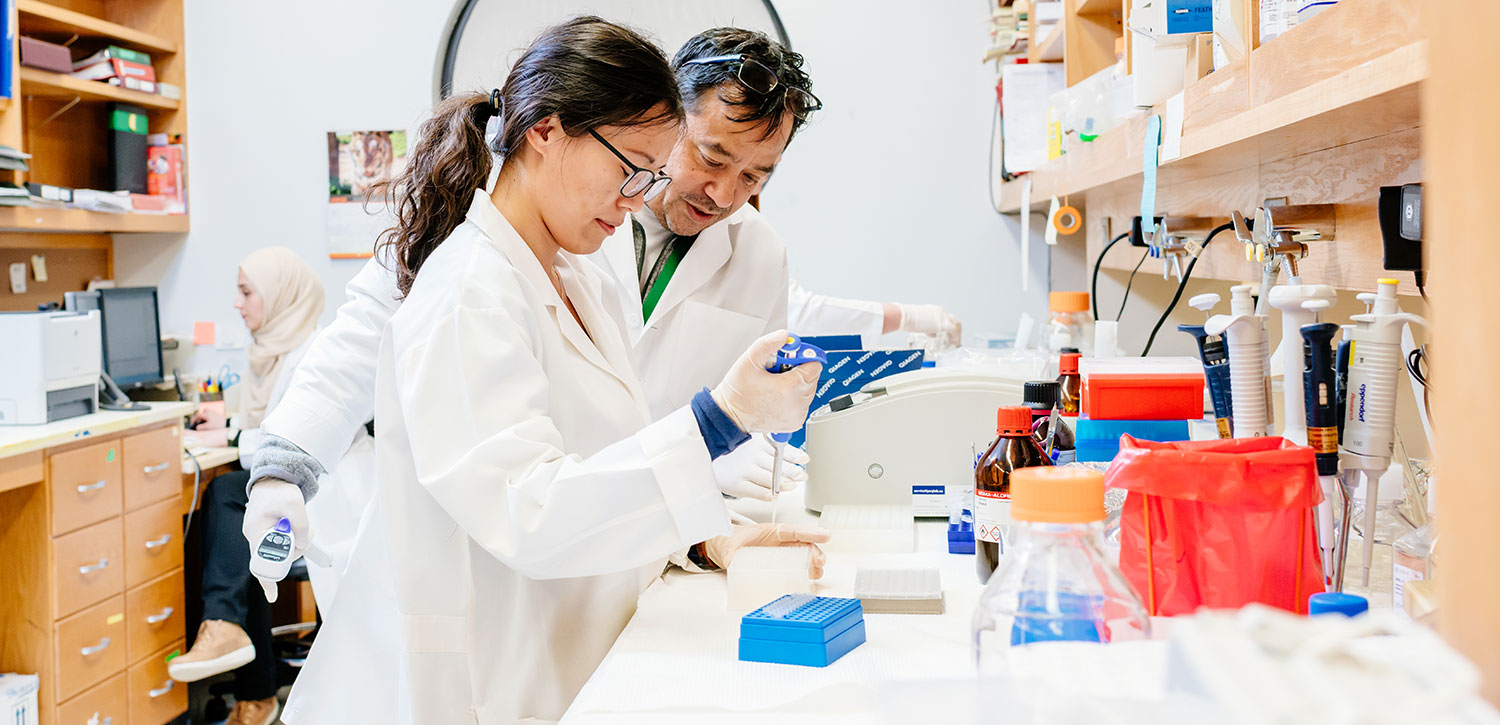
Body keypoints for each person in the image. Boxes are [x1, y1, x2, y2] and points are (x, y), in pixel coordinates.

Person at [251, 18, 825, 723]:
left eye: (755, 177)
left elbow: (605, 455)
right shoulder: (474, 278)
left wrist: (705, 535)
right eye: (702, 157)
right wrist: (284, 462)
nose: (723, 191)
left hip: (587, 606)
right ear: (552, 131)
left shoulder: (573, 267)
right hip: (494, 648)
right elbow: (530, 505)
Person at [167, 247, 326, 725]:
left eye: (246, 292)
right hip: (283, 490)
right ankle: (250, 683)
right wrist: (231, 422)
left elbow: (289, 438)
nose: (237, 304)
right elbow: (268, 421)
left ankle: (227, 634)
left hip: (317, 497)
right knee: (239, 523)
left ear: (280, 297)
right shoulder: (271, 352)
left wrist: (232, 435)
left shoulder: (312, 357)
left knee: (228, 496)